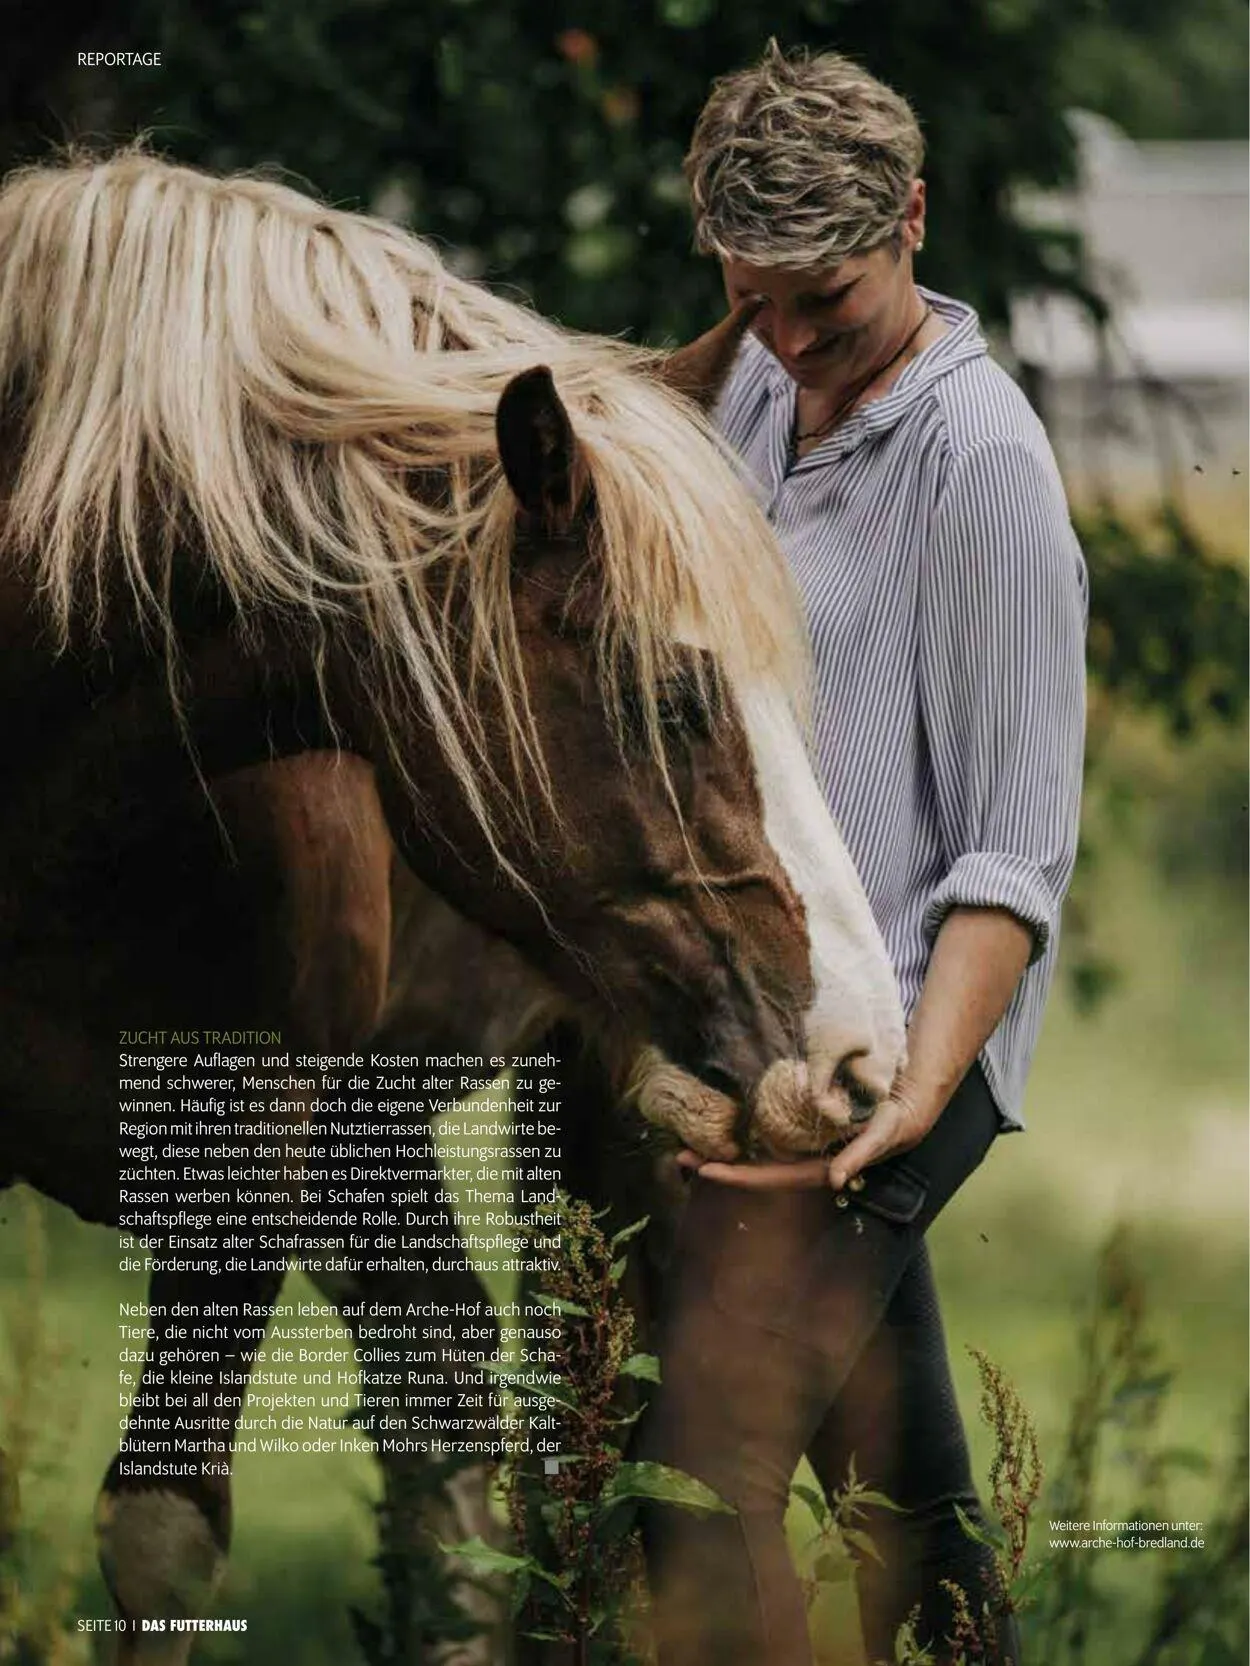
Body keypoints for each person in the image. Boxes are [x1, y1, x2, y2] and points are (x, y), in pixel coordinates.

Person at [636, 41, 1087, 1666]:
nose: (789, 342)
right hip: (773, 1034)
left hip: (896, 1043)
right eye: (752, 298)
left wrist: (902, 1116)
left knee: (698, 1481)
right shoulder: (757, 367)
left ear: (909, 218)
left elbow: (1013, 856)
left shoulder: (982, 470)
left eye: (820, 301)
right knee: (905, 1513)